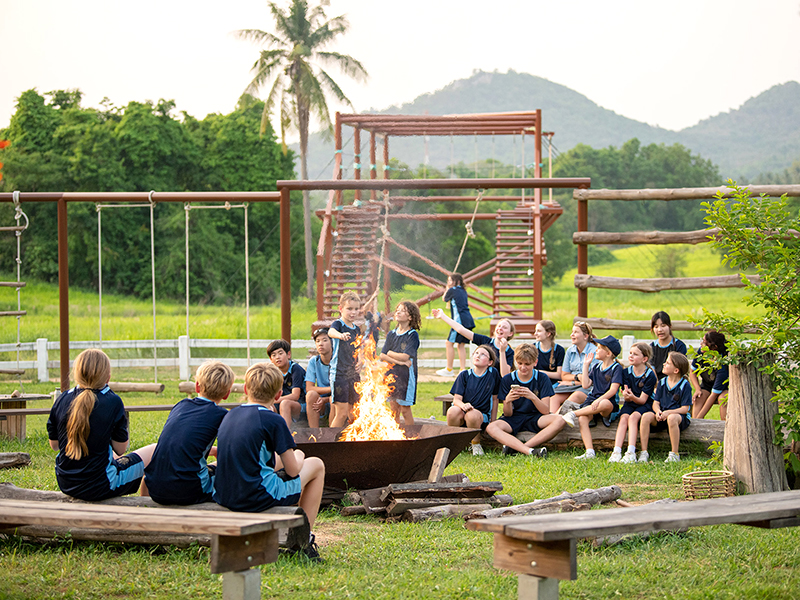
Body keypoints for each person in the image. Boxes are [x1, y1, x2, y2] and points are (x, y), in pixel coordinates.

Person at [213, 362, 326, 561]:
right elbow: (292, 471)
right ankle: (304, 541)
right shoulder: (274, 420)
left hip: (225, 493)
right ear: (278, 395)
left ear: (246, 389)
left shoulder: (230, 415)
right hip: (257, 495)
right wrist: (299, 456)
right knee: (316, 464)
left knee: (279, 463)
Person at [46, 348, 156, 501]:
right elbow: (121, 448)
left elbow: (55, 445)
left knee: (107, 455)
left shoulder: (62, 399)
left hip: (66, 482)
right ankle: (148, 509)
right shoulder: (112, 401)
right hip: (101, 485)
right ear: (108, 377)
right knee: (155, 450)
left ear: (76, 374)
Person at [144, 360, 234, 504]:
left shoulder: (181, 405)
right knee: (227, 470)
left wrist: (212, 450)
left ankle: (144, 507)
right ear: (227, 394)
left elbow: (182, 440)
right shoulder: (222, 415)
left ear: (197, 386)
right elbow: (231, 451)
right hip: (188, 491)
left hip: (155, 487)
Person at [485, 344, 565, 457]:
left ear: (535, 362)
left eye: (527, 364)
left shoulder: (542, 378)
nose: (523, 367)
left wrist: (532, 396)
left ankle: (520, 448)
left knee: (560, 420)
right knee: (491, 427)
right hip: (514, 418)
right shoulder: (508, 379)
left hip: (536, 417)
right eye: (520, 363)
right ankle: (529, 451)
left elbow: (546, 411)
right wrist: (507, 401)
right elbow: (508, 414)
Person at [562, 335, 624, 460]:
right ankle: (589, 451)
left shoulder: (616, 368)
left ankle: (574, 413)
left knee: (604, 404)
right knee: (583, 419)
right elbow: (585, 384)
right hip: (592, 401)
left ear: (608, 353)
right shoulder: (596, 367)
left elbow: (613, 390)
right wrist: (585, 366)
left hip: (606, 403)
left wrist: (599, 399)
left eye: (599, 348)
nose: (596, 350)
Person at [446, 344, 501, 456]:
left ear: (490, 362)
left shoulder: (492, 374)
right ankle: (454, 444)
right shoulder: (464, 375)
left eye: (483, 354)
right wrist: (463, 406)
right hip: (463, 410)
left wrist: (493, 422)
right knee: (452, 411)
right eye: (476, 353)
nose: (478, 356)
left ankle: (475, 444)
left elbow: (495, 399)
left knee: (472, 414)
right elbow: (456, 399)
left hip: (481, 416)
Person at [638, 352, 693, 463]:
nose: (663, 364)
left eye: (667, 363)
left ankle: (674, 454)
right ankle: (643, 452)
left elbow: (685, 408)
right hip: (662, 416)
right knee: (645, 416)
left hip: (678, 418)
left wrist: (668, 413)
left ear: (676, 370)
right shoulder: (662, 382)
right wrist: (658, 412)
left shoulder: (685, 385)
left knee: (672, 418)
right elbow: (656, 403)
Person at [610, 343, 657, 464]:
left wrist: (630, 396)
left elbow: (642, 400)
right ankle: (616, 451)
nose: (631, 356)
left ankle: (631, 452)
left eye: (635, 354)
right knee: (624, 418)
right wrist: (626, 395)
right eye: (630, 353)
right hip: (630, 403)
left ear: (644, 359)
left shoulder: (649, 375)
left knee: (634, 417)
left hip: (645, 404)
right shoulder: (626, 372)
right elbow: (626, 392)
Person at [431, 308, 515, 376]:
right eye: (499, 326)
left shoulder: (510, 352)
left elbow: (505, 375)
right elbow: (461, 330)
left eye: (504, 327)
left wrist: (502, 351)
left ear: (510, 333)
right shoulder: (486, 341)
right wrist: (442, 316)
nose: (500, 328)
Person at [380, 301, 421, 426]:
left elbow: (405, 356)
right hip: (391, 374)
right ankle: (395, 437)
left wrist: (391, 354)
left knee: (405, 409)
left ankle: (411, 436)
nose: (398, 312)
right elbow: (382, 355)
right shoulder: (392, 334)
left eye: (402, 310)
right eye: (397, 309)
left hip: (406, 377)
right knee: (394, 408)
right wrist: (398, 361)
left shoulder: (412, 335)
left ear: (410, 317)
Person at [327, 291, 363, 428]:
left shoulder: (357, 329)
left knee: (355, 412)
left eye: (356, 309)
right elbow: (331, 332)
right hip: (339, 374)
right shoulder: (338, 325)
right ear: (341, 309)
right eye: (349, 309)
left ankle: (352, 440)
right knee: (341, 413)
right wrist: (340, 336)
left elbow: (358, 349)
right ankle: (331, 444)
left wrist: (360, 361)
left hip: (353, 374)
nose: (353, 312)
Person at [549, 321, 598, 414]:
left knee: (575, 397)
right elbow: (564, 375)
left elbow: (590, 381)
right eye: (572, 332)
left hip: (589, 388)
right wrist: (577, 377)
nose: (572, 335)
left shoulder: (594, 352)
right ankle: (551, 419)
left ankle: (555, 420)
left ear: (585, 336)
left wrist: (571, 382)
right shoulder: (570, 351)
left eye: (576, 332)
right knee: (554, 397)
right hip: (572, 385)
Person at [435, 273, 475, 377]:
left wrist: (447, 288)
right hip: (468, 320)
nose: (448, 283)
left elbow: (444, 299)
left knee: (449, 343)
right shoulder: (463, 290)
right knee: (460, 345)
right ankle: (462, 369)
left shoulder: (452, 290)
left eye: (449, 281)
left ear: (456, 281)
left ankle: (449, 369)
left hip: (459, 321)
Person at [690, 330, 730, 420]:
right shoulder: (701, 352)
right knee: (698, 398)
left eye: (704, 342)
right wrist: (697, 389)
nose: (701, 344)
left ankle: (724, 427)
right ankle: (696, 431)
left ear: (714, 347)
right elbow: (692, 372)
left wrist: (698, 420)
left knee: (723, 399)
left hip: (725, 387)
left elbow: (713, 395)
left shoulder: (722, 365)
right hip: (707, 384)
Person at [268, 339, 307, 428]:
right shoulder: (274, 372)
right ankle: (272, 433)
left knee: (285, 403)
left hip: (300, 405)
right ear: (271, 359)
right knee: (269, 406)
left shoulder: (295, 369)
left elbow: (295, 396)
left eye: (280, 353)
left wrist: (274, 400)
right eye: (274, 355)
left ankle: (286, 434)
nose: (277, 357)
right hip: (281, 404)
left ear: (288, 354)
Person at [305, 328, 333, 428]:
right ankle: (314, 435)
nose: (320, 344)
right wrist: (331, 389)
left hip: (338, 398)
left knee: (333, 399)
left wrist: (326, 399)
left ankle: (332, 435)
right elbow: (309, 387)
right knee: (311, 395)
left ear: (332, 342)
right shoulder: (314, 361)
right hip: (320, 398)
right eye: (318, 341)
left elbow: (342, 388)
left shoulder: (339, 361)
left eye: (325, 340)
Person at [650, 311, 688, 380]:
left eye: (663, 326)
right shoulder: (651, 347)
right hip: (656, 383)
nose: (660, 330)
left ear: (670, 326)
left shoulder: (679, 346)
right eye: (656, 327)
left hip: (674, 381)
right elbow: (651, 370)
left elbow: (681, 370)